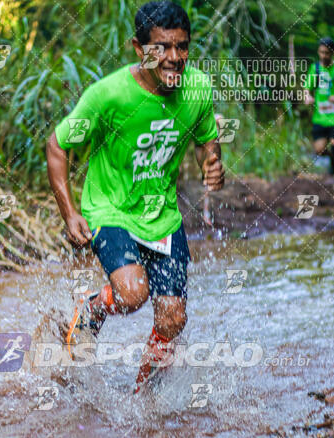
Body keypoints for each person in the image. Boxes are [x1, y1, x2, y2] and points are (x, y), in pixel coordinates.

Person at [46, 1, 224, 392]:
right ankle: (89, 308)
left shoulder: (197, 88)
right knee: (131, 293)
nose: (174, 58)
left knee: (172, 320)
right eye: (162, 47)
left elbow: (206, 139)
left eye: (182, 47)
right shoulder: (108, 95)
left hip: (162, 216)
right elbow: (56, 147)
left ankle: (144, 401)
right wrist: (70, 212)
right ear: (138, 48)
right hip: (109, 208)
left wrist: (212, 161)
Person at [304, 37, 334, 190]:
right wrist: (308, 97)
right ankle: (333, 162)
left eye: (327, 53)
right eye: (321, 52)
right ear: (318, 51)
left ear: (333, 53)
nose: (324, 56)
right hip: (320, 117)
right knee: (319, 150)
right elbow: (307, 88)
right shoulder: (315, 69)